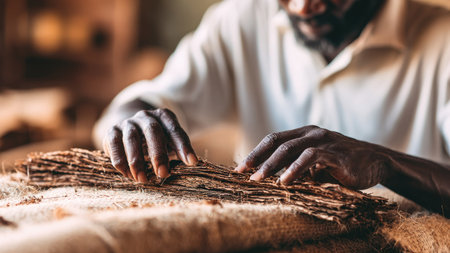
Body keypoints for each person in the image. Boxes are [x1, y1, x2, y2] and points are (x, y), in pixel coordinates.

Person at [93, 0, 450, 217]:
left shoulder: (443, 41)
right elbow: (130, 107)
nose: (302, 8)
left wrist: (385, 164)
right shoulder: (240, 19)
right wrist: (132, 122)